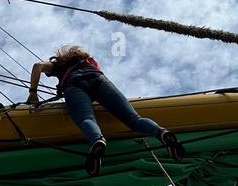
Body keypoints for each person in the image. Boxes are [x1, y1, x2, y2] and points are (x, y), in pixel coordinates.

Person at [26, 44, 184, 176]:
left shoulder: (59, 65)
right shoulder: (88, 61)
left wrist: (33, 93)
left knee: (86, 119)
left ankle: (97, 140)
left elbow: (37, 66)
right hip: (100, 81)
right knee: (134, 119)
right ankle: (161, 133)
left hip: (75, 86)